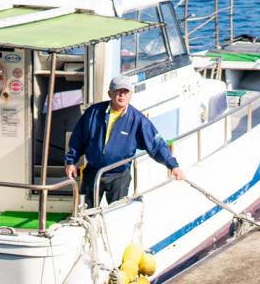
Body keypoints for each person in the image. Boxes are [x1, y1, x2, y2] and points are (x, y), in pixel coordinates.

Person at [65, 73, 184, 206]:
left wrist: (173, 166)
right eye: (118, 91)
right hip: (92, 173)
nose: (121, 95)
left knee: (116, 214)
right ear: (110, 93)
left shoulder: (138, 120)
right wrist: (71, 161)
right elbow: (78, 138)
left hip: (119, 176)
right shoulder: (93, 112)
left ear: (131, 94)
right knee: (85, 212)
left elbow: (156, 145)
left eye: (125, 92)